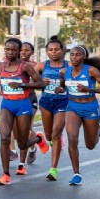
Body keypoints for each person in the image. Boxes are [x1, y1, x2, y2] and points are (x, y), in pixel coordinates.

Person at [0, 38, 48, 186]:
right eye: (7, 49)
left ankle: (38, 139)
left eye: (14, 50)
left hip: (23, 105)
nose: (10, 52)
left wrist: (23, 85)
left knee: (22, 144)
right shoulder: (0, 66)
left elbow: (40, 83)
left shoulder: (25, 67)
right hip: (7, 105)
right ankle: (5, 174)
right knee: (5, 137)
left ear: (19, 51)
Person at [55, 46, 100, 186]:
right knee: (72, 138)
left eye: (77, 55)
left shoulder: (91, 71)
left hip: (90, 108)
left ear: (83, 57)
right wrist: (61, 89)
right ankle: (76, 173)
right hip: (72, 107)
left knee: (90, 145)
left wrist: (90, 89)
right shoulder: (64, 72)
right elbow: (64, 86)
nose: (74, 57)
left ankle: (99, 129)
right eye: (72, 55)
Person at [34, 35, 68, 181]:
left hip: (63, 102)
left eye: (56, 49)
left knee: (55, 133)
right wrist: (41, 81)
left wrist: (64, 85)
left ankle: (53, 169)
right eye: (51, 50)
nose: (54, 52)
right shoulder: (41, 66)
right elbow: (31, 82)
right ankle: (49, 140)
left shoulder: (69, 65)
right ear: (47, 52)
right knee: (49, 136)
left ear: (62, 51)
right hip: (46, 102)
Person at [12, 42, 47, 176]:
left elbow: (40, 83)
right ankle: (16, 150)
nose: (23, 52)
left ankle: (31, 148)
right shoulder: (11, 64)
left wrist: (23, 85)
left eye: (27, 50)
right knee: (13, 129)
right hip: (13, 100)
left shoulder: (33, 66)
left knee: (25, 128)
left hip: (29, 99)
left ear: (32, 52)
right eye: (21, 50)